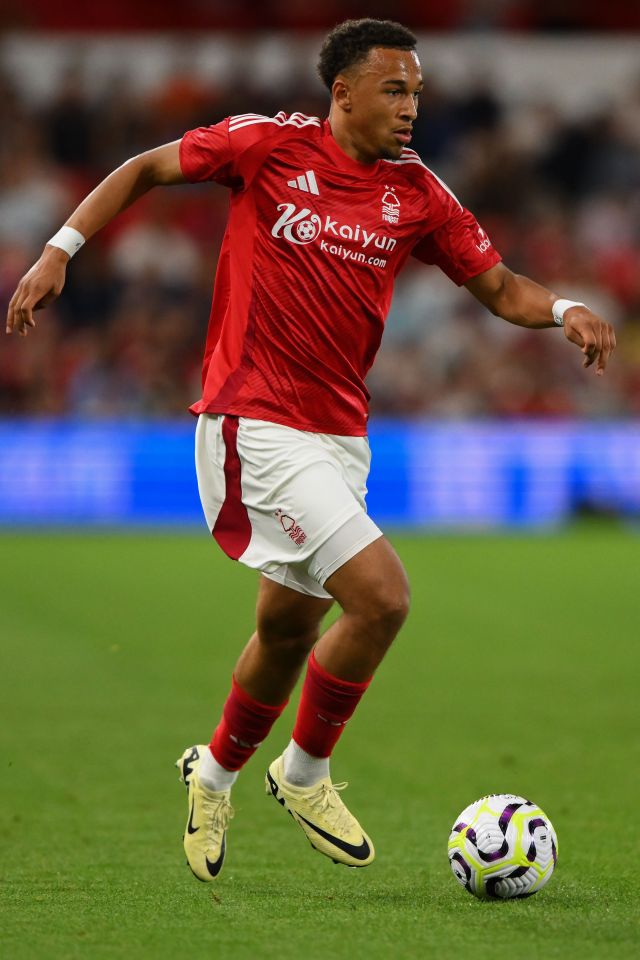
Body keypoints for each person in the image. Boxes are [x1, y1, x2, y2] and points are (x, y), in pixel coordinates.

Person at [6, 19, 615, 882]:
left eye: (417, 91)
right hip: (253, 421)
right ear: (344, 93)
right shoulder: (267, 146)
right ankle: (303, 773)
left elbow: (501, 286)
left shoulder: (418, 193)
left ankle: (212, 772)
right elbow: (145, 166)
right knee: (382, 600)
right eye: (395, 89)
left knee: (287, 629)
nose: (411, 107)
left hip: (339, 437)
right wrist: (58, 252)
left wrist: (564, 311)